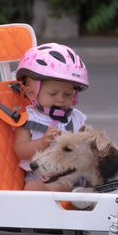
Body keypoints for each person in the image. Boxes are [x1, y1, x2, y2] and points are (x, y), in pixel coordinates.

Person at [13, 42, 90, 191]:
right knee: (32, 188)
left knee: (101, 178)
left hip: (74, 171)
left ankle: (88, 200)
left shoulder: (76, 118)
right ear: (31, 93)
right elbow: (20, 151)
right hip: (41, 174)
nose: (61, 99)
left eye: (67, 94)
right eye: (53, 94)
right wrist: (42, 142)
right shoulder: (29, 119)